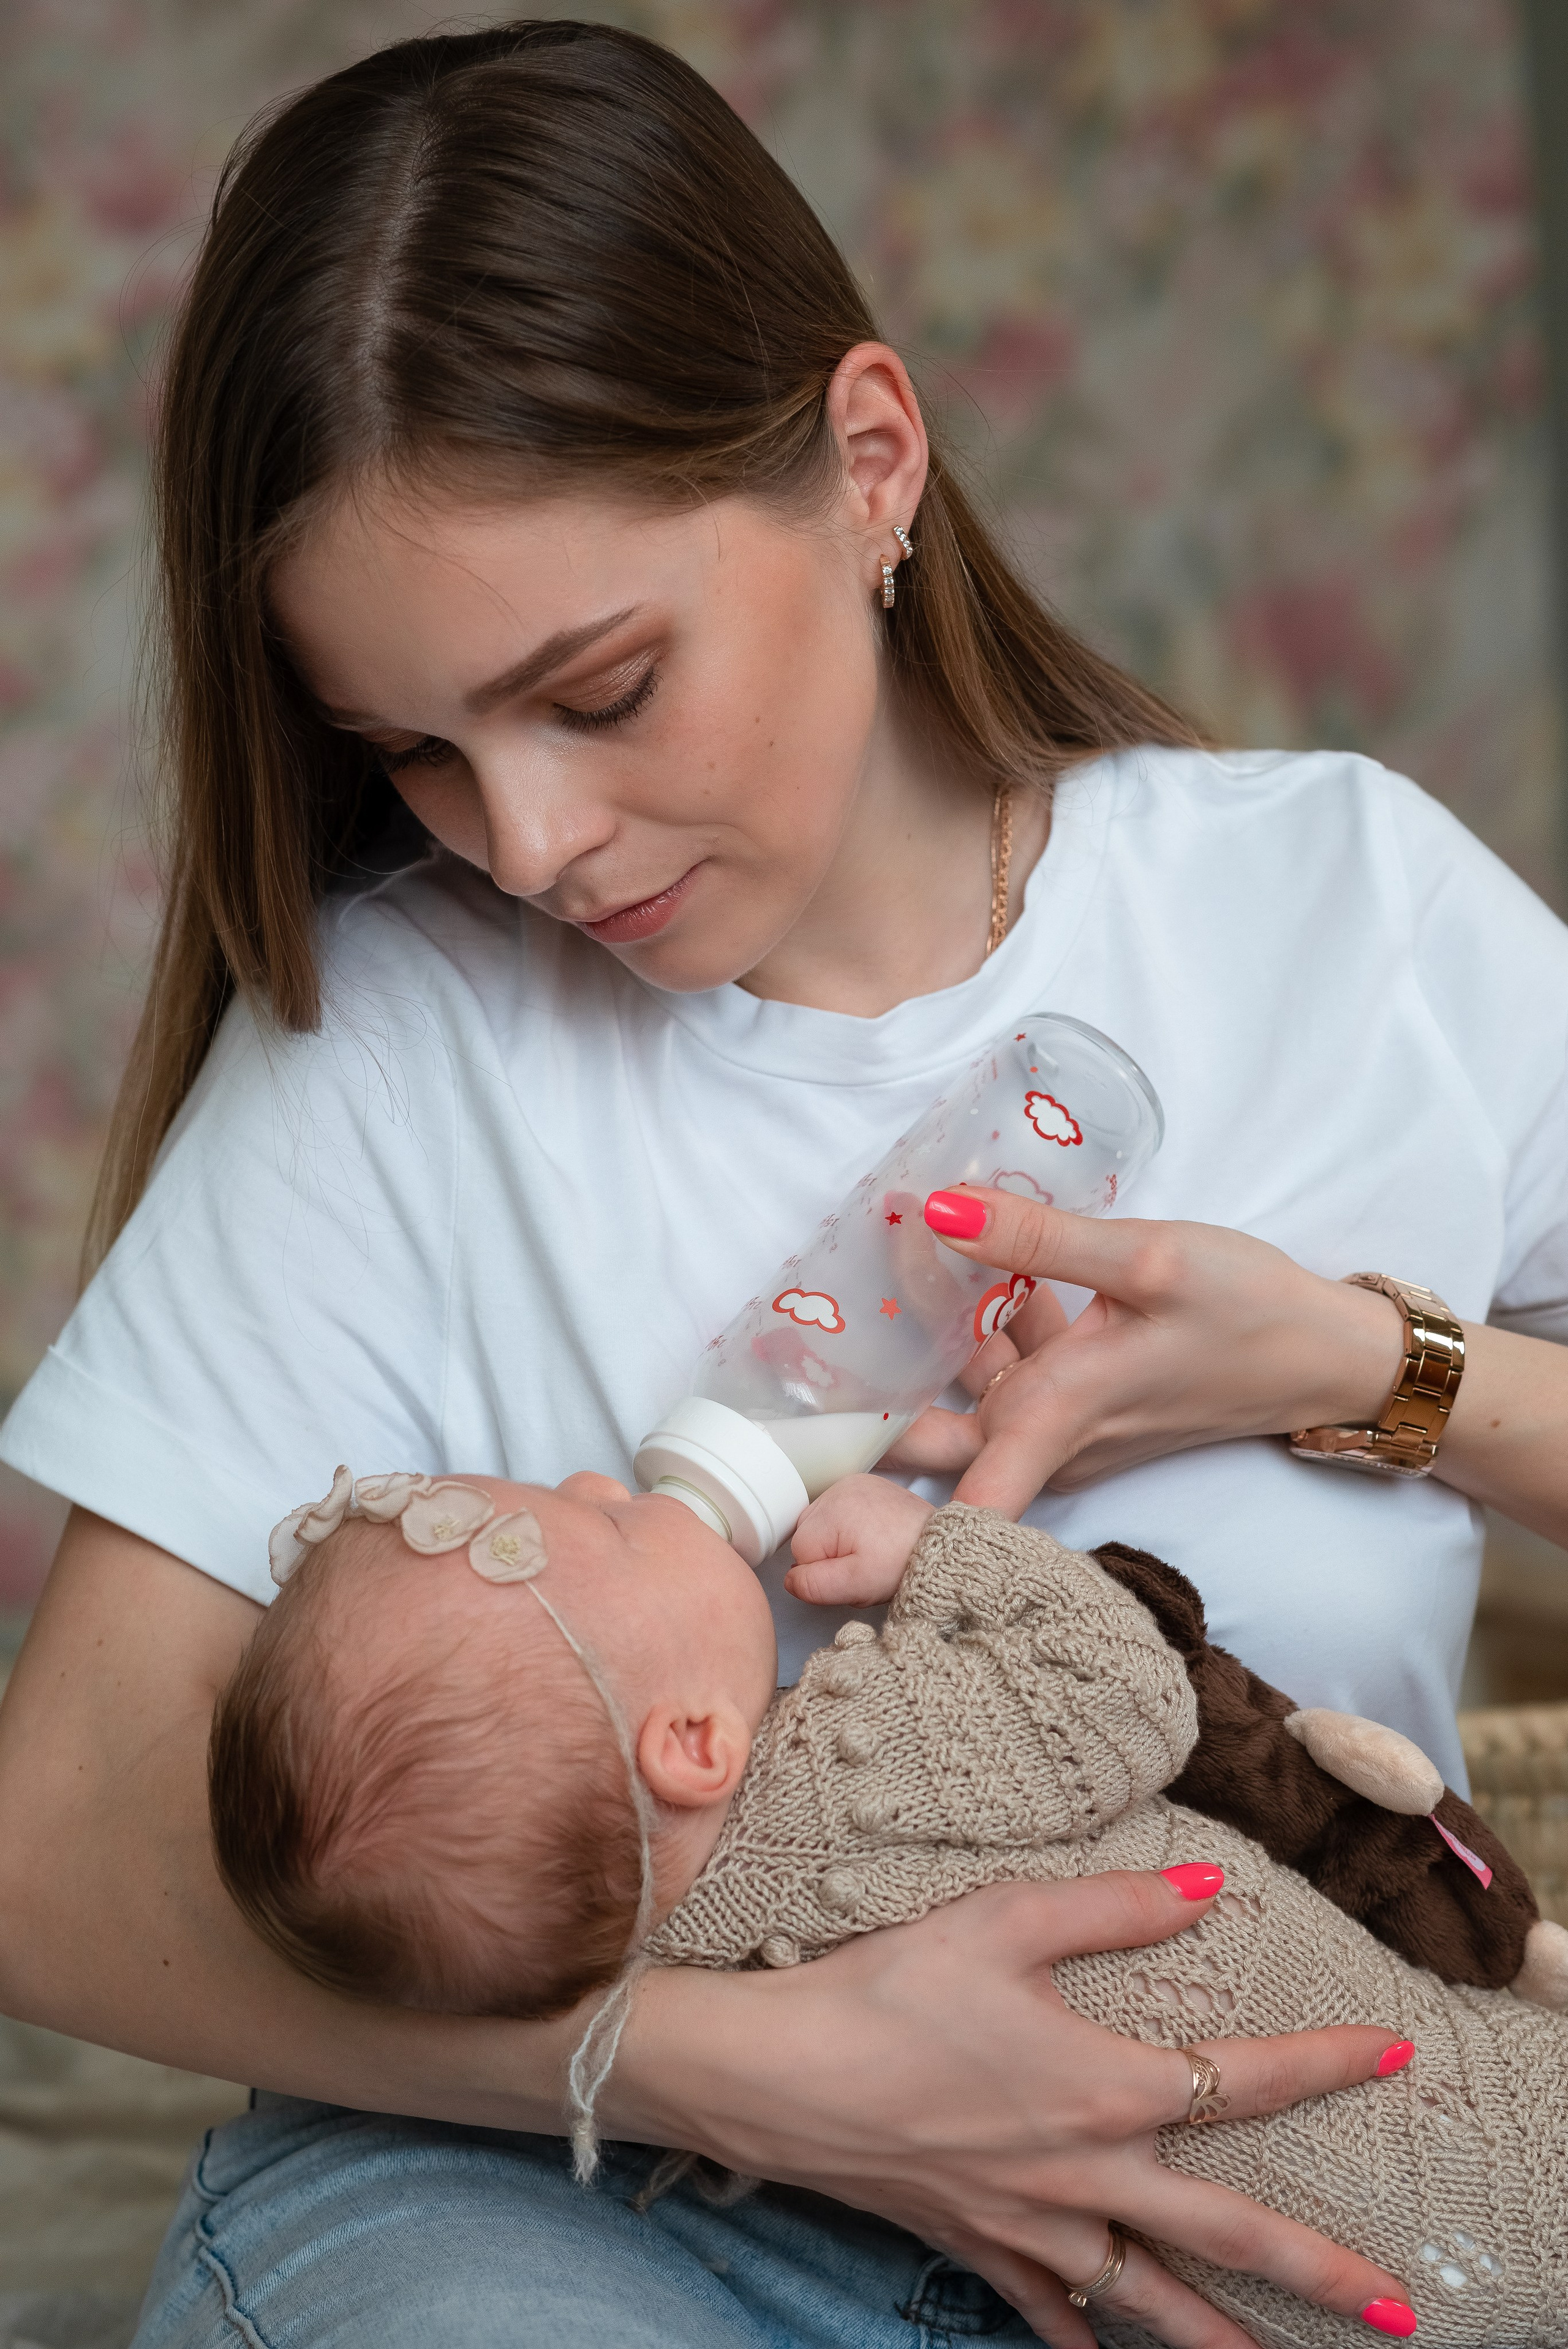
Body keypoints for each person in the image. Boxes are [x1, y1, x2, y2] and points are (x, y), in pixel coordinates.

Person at [0, 19, 1564, 2348]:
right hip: (588, 2202)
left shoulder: (1346, 908)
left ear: (869, 464)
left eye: (600, 689)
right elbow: (52, 1854)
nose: (529, 842)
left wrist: (1373, 1366)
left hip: (1266, 2185)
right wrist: (743, 2070)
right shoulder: (403, 1031)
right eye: (416, 747)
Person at [203, 1457, 1568, 2344]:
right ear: (694, 1746)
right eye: (610, 1522)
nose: (597, 1474)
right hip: (1486, 2128)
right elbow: (1126, 1693)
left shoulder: (639, 1957)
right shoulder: (857, 1749)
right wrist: (936, 1553)